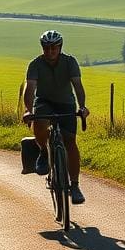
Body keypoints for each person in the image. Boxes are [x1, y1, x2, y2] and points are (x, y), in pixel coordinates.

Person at [23, 30, 89, 204]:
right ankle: (44, 152)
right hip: (44, 101)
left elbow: (78, 86)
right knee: (40, 121)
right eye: (46, 48)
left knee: (70, 142)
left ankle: (74, 186)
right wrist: (29, 110)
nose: (50, 51)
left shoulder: (70, 62)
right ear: (42, 48)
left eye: (54, 47)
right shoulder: (35, 64)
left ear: (60, 47)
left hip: (66, 103)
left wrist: (82, 107)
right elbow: (29, 89)